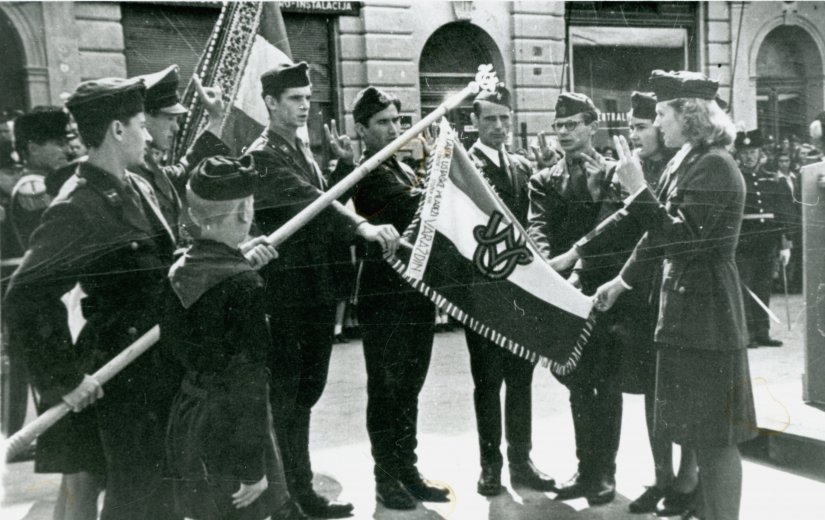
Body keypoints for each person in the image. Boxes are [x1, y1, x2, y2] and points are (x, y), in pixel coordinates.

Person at [4, 77, 180, 520]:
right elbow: (25, 295)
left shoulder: (136, 186)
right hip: (122, 379)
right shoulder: (78, 205)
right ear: (117, 130)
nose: (146, 133)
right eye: (141, 124)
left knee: (161, 494)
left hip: (160, 369)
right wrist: (65, 376)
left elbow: (164, 261)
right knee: (137, 499)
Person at [594, 69, 756, 520]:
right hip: (689, 316)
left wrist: (638, 191)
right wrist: (621, 281)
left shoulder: (715, 165)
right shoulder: (689, 158)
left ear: (689, 115)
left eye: (663, 113)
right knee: (700, 432)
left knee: (715, 439)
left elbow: (681, 240)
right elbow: (653, 240)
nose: (658, 123)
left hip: (707, 320)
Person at [244, 62, 399, 519]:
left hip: (314, 291)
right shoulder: (264, 154)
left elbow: (318, 205)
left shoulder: (301, 148)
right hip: (286, 294)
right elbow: (311, 204)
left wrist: (343, 166)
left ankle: (298, 488)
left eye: (308, 97)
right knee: (289, 397)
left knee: (305, 394)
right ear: (270, 102)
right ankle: (289, 497)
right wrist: (363, 227)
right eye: (294, 98)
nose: (305, 104)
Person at [163, 155, 307, 520]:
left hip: (188, 421)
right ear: (245, 212)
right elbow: (250, 380)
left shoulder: (178, 271)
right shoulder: (245, 284)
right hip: (233, 430)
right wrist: (253, 468)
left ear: (194, 215)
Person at [343, 86, 450, 510]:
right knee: (386, 388)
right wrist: (436, 166)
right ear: (362, 130)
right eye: (383, 122)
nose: (394, 129)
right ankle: (386, 477)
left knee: (410, 387)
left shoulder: (400, 168)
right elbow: (414, 209)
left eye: (397, 121)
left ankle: (407, 470)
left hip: (415, 294)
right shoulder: (366, 173)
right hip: (384, 297)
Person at [526, 92, 624, 505]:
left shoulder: (615, 174)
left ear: (591, 126)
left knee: (607, 382)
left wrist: (579, 269)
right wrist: (551, 269)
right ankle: (586, 468)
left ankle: (605, 472)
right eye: (559, 125)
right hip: (563, 292)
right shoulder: (545, 178)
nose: (563, 133)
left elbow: (612, 229)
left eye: (572, 125)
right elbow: (538, 226)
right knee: (576, 382)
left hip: (603, 293)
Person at [462, 84, 555, 497]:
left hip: (522, 292)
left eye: (504, 119)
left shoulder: (520, 166)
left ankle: (522, 459)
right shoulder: (463, 168)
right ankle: (489, 465)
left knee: (521, 379)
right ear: (474, 123)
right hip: (483, 291)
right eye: (489, 120)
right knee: (488, 381)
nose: (499, 127)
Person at [620, 92, 699, 516]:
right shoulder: (636, 167)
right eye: (631, 127)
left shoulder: (675, 167)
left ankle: (688, 477)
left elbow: (664, 231)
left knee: (680, 390)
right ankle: (662, 476)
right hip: (643, 295)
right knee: (654, 393)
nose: (635, 135)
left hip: (672, 290)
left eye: (642, 127)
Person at [134, 64, 230, 240]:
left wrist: (215, 119)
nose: (176, 127)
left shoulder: (145, 163)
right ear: (143, 117)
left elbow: (180, 173)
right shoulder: (132, 166)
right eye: (170, 118)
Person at [734, 129, 792, 348]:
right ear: (739, 155)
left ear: (760, 153)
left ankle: (762, 332)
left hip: (767, 242)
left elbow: (781, 212)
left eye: (753, 152)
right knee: (745, 287)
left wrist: (784, 243)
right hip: (744, 242)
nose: (749, 156)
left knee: (763, 287)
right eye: (745, 152)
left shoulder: (771, 177)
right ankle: (747, 333)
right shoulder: (735, 177)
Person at [7, 107, 73, 252]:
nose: (68, 150)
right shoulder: (33, 187)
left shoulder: (46, 181)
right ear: (33, 149)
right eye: (59, 144)